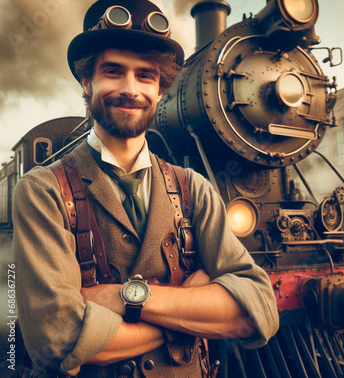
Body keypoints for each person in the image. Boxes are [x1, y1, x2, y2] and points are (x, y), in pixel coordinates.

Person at [13, 0, 279, 377]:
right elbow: (58, 339)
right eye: (113, 72)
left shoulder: (195, 189)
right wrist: (191, 305)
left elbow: (258, 310)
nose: (130, 88)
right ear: (86, 81)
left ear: (160, 89)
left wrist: (124, 298)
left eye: (145, 76)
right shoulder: (43, 190)